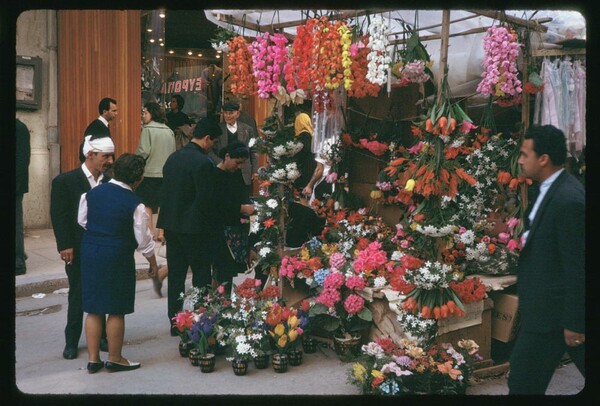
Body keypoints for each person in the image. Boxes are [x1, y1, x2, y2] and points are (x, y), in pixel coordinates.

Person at [507, 125, 585, 394]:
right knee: (523, 381)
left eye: (524, 154)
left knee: (522, 383)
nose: (519, 160)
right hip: (544, 313)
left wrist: (575, 323)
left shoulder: (569, 200)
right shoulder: (547, 189)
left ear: (543, 159)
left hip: (554, 316)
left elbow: (579, 267)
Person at [78, 153, 159, 373]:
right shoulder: (136, 204)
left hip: (91, 251)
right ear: (139, 178)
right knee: (116, 309)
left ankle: (93, 359)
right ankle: (115, 358)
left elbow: (82, 221)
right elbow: (144, 241)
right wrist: (152, 263)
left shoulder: (91, 194)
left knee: (93, 307)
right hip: (117, 254)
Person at [50, 136, 115, 359]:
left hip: (103, 248)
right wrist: (65, 245)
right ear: (90, 155)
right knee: (78, 294)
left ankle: (102, 337)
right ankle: (72, 341)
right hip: (77, 248)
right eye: (105, 156)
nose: (110, 160)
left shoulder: (109, 181)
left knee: (102, 291)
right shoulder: (65, 182)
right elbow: (59, 216)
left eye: (111, 156)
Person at [157, 117, 221, 335]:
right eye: (214, 142)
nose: (213, 146)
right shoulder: (204, 163)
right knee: (201, 276)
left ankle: (175, 322)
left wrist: (162, 226)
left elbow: (165, 194)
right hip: (195, 229)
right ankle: (200, 319)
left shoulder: (173, 159)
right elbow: (207, 201)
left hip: (173, 227)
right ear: (206, 138)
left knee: (176, 275)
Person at [212, 142, 255, 294]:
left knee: (238, 271)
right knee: (224, 271)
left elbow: (242, 195)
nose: (239, 167)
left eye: (242, 164)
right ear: (227, 156)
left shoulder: (235, 174)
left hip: (239, 229)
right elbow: (216, 205)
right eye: (237, 163)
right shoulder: (214, 175)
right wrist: (241, 208)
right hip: (222, 232)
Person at [135, 102, 176, 249]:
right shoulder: (169, 131)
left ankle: (150, 232)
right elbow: (172, 152)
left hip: (149, 171)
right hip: (165, 173)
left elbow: (143, 151)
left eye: (145, 112)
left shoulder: (148, 130)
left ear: (152, 113)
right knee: (163, 203)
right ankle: (161, 233)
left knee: (147, 203)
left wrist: (135, 159)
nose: (143, 115)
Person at [208, 100, 258, 196]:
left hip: (243, 172)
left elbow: (254, 150)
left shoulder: (247, 129)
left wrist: (255, 170)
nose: (228, 116)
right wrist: (221, 163)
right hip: (224, 170)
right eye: (225, 113)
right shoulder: (218, 129)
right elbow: (210, 150)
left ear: (237, 113)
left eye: (231, 113)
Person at [79, 97, 118, 163]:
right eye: (113, 111)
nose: (116, 113)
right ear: (105, 112)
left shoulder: (101, 125)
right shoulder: (96, 127)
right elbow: (86, 149)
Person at [16, 118, 31, 276]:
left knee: (15, 224)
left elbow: (22, 160)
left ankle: (18, 261)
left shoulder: (19, 128)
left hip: (13, 186)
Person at [292, 107, 317, 196]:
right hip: (312, 167)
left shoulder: (303, 136)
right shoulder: (311, 135)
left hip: (305, 169)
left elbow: (301, 153)